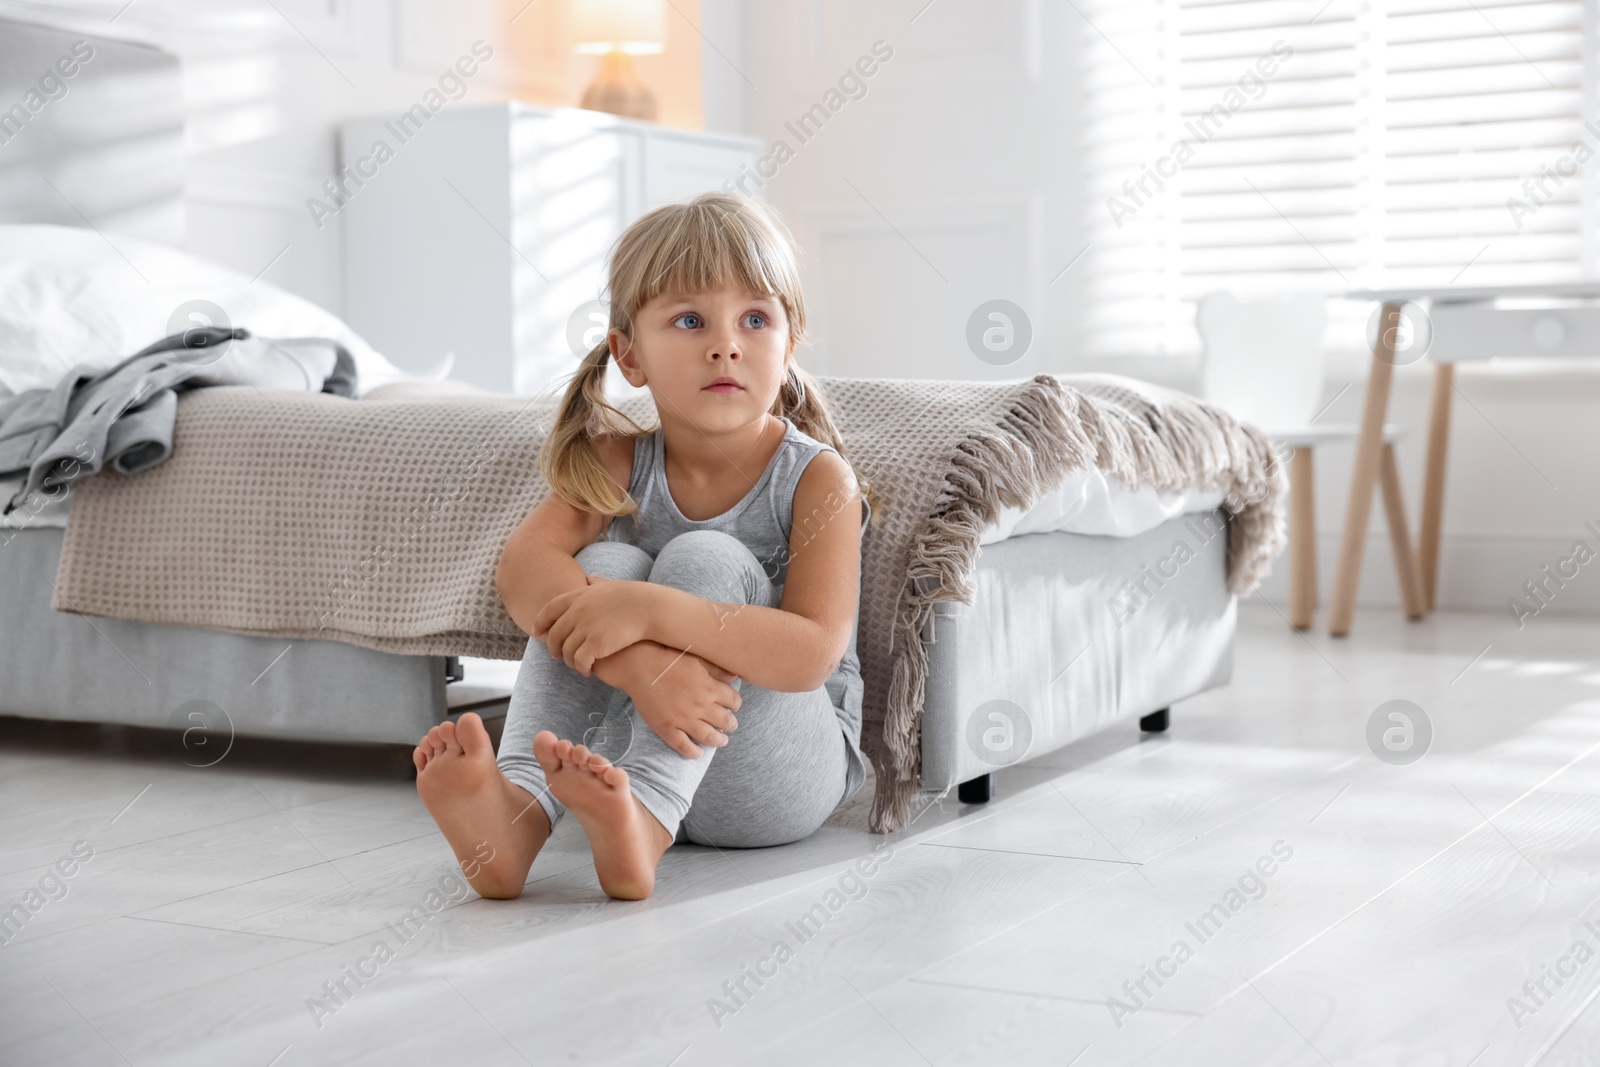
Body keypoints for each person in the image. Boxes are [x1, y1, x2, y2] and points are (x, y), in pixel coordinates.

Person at [412, 192, 874, 901]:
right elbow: (524, 570)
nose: (726, 343)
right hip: (623, 766)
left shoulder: (818, 479)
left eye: (755, 318)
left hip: (777, 780)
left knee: (703, 560)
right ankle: (518, 813)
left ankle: (648, 825)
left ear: (788, 343)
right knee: (597, 569)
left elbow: (811, 650)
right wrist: (640, 665)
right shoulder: (617, 460)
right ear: (628, 353)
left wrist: (650, 614)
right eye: (689, 320)